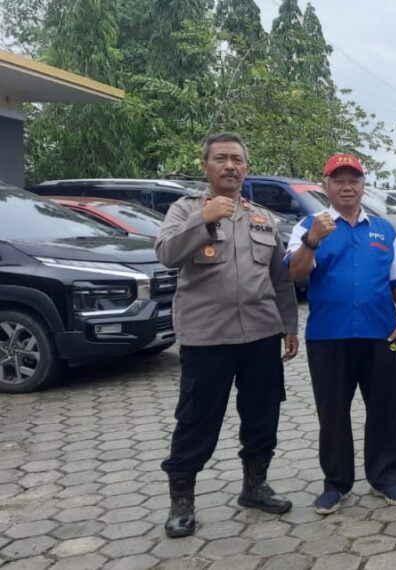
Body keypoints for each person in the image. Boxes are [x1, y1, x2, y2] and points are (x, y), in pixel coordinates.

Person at [156, 132, 299, 538]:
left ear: (247, 168)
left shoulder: (262, 217)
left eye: (237, 159)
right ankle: (182, 501)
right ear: (206, 166)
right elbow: (166, 253)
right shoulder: (185, 210)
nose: (230, 166)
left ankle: (255, 486)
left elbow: (280, 279)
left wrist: (289, 326)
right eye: (221, 158)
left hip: (260, 334)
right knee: (196, 420)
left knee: (262, 416)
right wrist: (203, 220)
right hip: (207, 338)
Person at [285, 153, 396, 514]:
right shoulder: (309, 225)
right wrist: (312, 240)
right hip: (329, 335)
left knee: (386, 409)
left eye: (353, 180)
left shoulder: (383, 229)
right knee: (333, 412)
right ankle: (336, 482)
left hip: (380, 333)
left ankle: (386, 476)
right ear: (325, 186)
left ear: (363, 185)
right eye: (339, 179)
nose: (347, 186)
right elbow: (295, 273)